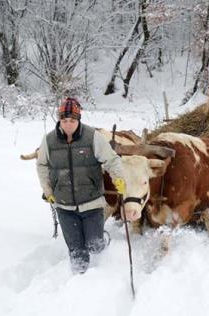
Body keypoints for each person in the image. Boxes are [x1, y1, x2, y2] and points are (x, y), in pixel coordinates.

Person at [36, 97, 126, 274]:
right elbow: (42, 165)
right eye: (64, 120)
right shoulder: (49, 141)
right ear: (59, 120)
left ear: (78, 120)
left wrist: (119, 178)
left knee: (94, 245)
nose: (68, 125)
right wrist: (48, 191)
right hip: (63, 204)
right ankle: (79, 279)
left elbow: (112, 159)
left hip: (91, 202)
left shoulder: (92, 137)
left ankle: (102, 241)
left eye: (72, 120)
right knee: (76, 250)